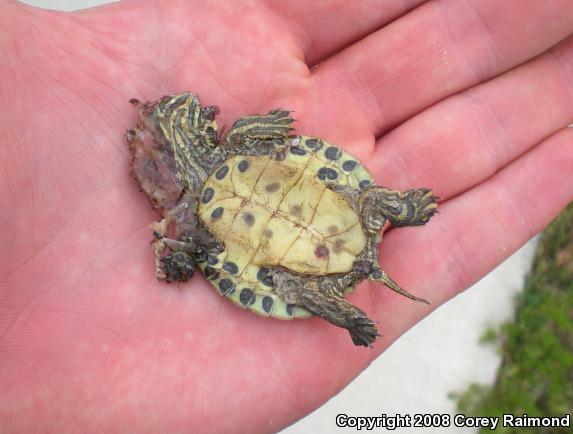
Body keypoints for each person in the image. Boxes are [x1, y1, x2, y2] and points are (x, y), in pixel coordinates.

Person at [0, 0, 571, 432]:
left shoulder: (210, 184)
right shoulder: (199, 203)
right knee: (319, 253)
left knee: (327, 242)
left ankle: (385, 231)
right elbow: (183, 247)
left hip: (314, 224)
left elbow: (186, 246)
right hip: (305, 234)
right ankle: (361, 278)